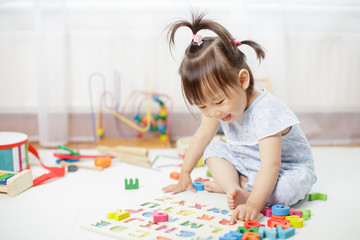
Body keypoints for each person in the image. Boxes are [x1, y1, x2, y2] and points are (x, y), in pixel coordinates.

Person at [162, 12, 316, 222]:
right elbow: (201, 137)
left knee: (283, 193)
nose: (213, 112)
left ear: (242, 80)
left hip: (286, 167)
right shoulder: (215, 108)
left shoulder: (266, 111)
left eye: (218, 102)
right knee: (213, 150)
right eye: (201, 106)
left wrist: (253, 204)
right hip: (248, 161)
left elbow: (271, 164)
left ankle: (243, 186)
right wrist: (185, 172)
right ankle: (234, 186)